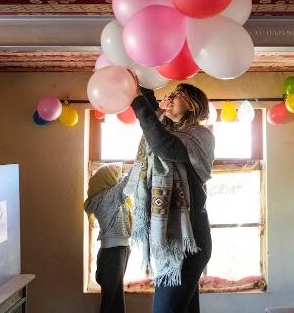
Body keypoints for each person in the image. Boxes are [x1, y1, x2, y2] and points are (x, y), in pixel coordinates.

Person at [128, 81, 215, 313]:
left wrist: (138, 102)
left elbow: (164, 146)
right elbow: (155, 127)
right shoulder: (172, 132)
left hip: (189, 242)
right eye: (171, 93)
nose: (172, 96)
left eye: (179, 94)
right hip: (176, 243)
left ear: (193, 105)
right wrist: (141, 85)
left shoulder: (200, 135)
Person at [84, 163, 132, 313]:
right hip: (113, 252)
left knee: (115, 299)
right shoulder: (106, 197)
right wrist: (143, 155)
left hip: (118, 249)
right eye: (117, 176)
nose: (119, 179)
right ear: (107, 179)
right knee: (111, 301)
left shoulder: (109, 197)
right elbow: (129, 181)